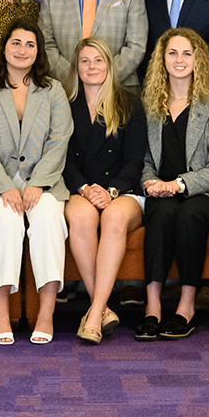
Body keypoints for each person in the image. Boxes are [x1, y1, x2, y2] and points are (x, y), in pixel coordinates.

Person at [0, 20, 74, 345]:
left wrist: (38, 184)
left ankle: (46, 312)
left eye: (30, 44)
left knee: (48, 219)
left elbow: (59, 141)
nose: (22, 50)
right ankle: (1, 313)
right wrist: (4, 187)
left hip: (45, 181)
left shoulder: (52, 90)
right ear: (4, 48)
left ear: (39, 51)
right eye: (16, 43)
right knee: (5, 220)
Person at [136, 29, 209, 341]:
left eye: (187, 53)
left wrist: (177, 184)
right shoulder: (150, 102)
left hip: (201, 192)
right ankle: (152, 308)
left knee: (189, 216)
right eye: (173, 53)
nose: (180, 60)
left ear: (198, 59)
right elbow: (146, 159)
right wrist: (150, 182)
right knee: (161, 215)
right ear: (161, 59)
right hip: (160, 190)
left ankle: (186, 307)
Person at [64, 37, 147, 344]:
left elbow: (134, 161)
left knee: (113, 218)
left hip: (122, 191)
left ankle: (95, 309)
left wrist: (111, 191)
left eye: (98, 60)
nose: (91, 67)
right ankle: (102, 310)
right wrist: (85, 188)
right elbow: (62, 158)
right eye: (85, 61)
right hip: (81, 189)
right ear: (76, 67)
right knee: (82, 218)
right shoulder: (65, 104)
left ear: (109, 66)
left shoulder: (129, 103)